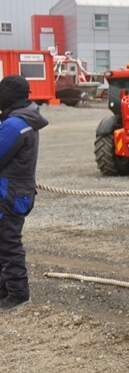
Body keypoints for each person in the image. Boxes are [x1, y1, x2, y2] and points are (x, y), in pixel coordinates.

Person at [0, 75, 48, 312]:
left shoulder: (14, 125)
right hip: (18, 191)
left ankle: (19, 294)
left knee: (8, 243)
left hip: (9, 193)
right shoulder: (24, 118)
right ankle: (5, 289)